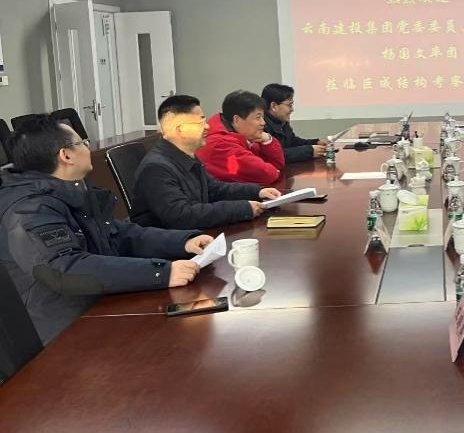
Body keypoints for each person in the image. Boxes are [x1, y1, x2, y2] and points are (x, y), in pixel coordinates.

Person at [0, 116, 210, 344]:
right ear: (66, 155)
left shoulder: (68, 190)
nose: (88, 147)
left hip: (98, 304)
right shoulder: (30, 209)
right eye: (83, 143)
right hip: (64, 332)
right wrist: (161, 272)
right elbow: (65, 268)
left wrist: (183, 241)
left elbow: (118, 233)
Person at [133, 95, 282, 230]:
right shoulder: (157, 168)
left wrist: (257, 192)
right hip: (173, 244)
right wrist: (243, 208)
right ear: (180, 130)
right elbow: (182, 216)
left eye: (204, 121)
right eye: (200, 123)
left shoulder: (185, 155)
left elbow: (214, 189)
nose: (207, 127)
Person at [197, 90, 285, 186]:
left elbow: (277, 164)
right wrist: (274, 171)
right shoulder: (221, 144)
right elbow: (265, 175)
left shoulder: (242, 135)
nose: (263, 123)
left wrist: (268, 140)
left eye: (262, 117)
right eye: (258, 117)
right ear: (237, 120)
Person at [262, 83, 328, 162]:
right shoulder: (261, 126)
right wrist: (309, 151)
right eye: (289, 105)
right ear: (274, 106)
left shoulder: (282, 121)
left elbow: (293, 141)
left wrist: (316, 142)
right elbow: (276, 155)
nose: (292, 109)